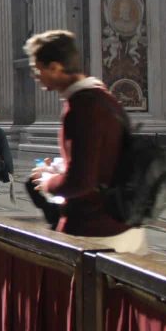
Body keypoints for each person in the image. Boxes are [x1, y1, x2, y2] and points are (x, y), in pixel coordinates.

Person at [25, 29, 147, 253]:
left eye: (37, 68)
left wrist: (47, 180)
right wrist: (62, 167)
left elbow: (80, 182)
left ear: (55, 67)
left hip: (97, 234)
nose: (35, 75)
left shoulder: (81, 108)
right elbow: (102, 160)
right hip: (121, 224)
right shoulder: (102, 96)